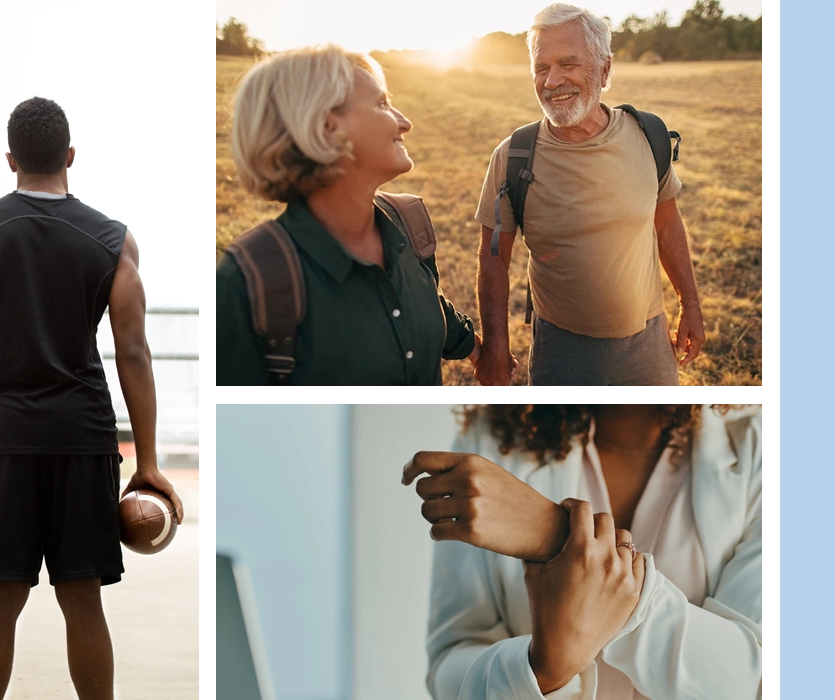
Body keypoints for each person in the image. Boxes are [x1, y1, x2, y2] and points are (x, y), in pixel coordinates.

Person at [0, 96, 184, 700]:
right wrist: (146, 462)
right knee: (83, 603)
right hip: (83, 439)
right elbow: (135, 355)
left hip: (6, 443)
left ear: (11, 159)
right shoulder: (114, 242)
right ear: (70, 156)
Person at [403, 402, 763, 699]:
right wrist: (543, 672)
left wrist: (554, 536)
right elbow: (449, 666)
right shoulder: (490, 440)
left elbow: (756, 682)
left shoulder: (764, 450)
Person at [214, 45, 515, 389]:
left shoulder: (407, 219)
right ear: (326, 126)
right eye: (381, 103)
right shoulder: (244, 283)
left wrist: (479, 350)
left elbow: (425, 300)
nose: (405, 122)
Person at [474, 4, 705, 388]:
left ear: (605, 69)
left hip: (648, 345)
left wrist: (690, 305)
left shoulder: (648, 136)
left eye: (568, 64)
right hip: (561, 352)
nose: (552, 81)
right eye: (541, 68)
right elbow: (494, 258)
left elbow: (666, 225)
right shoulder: (513, 156)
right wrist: (497, 346)